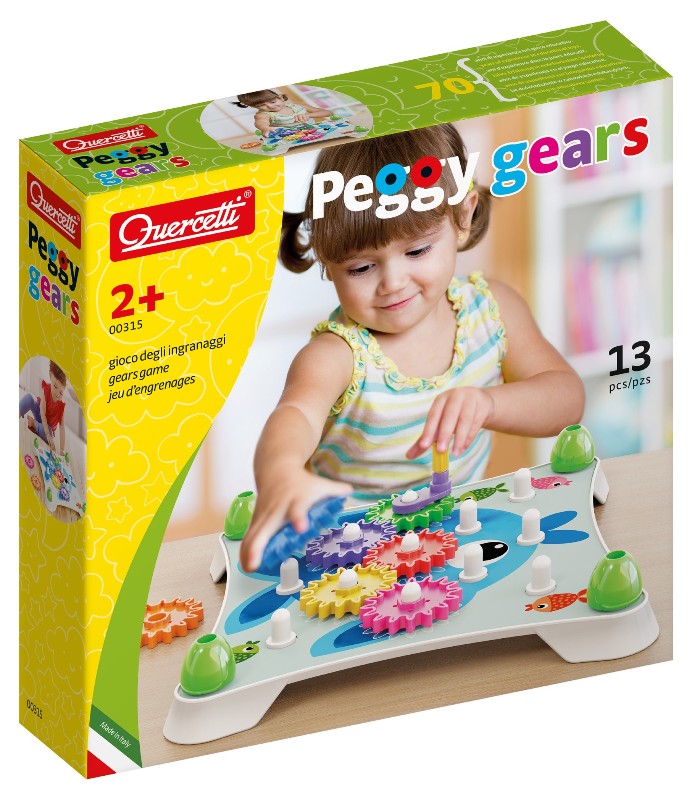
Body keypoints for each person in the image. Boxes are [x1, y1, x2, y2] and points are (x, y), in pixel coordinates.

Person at [239, 124, 584, 571]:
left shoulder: (491, 310)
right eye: (361, 267)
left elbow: (566, 398)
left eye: (417, 251)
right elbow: (295, 415)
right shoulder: (338, 354)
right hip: (351, 559)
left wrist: (490, 403)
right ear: (326, 260)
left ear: (463, 217)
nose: (393, 282)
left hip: (455, 537)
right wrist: (282, 471)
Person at [235, 90, 333, 137]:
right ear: (255, 107)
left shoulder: (298, 106)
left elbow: (328, 112)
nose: (270, 106)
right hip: (289, 138)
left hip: (314, 132)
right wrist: (265, 128)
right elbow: (261, 122)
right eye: (261, 105)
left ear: (281, 98)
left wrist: (308, 115)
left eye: (273, 102)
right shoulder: (263, 114)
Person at [19, 360, 67, 455]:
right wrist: (47, 434)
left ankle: (34, 424)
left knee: (49, 434)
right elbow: (42, 412)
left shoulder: (61, 406)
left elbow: (62, 427)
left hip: (48, 426)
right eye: (55, 386)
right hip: (40, 412)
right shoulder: (46, 389)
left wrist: (62, 449)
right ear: (50, 375)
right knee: (29, 397)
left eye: (61, 392)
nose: (57, 394)